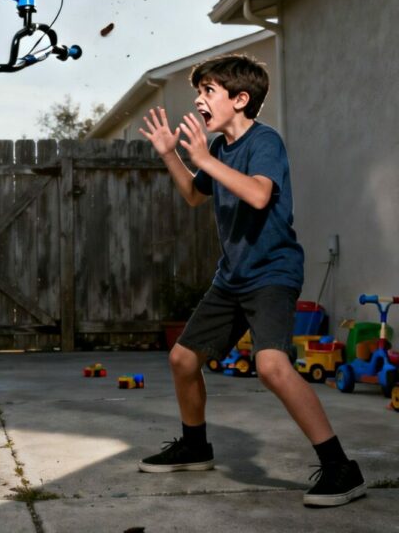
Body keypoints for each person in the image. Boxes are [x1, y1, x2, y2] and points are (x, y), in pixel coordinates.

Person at [137, 54, 365, 508]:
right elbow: (193, 195)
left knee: (272, 367)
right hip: (233, 277)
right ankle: (195, 445)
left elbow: (260, 194)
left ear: (240, 99)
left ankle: (341, 468)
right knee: (183, 359)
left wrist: (203, 156)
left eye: (209, 92)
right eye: (198, 91)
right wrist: (172, 157)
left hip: (272, 273)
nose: (199, 100)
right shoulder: (220, 150)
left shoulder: (265, 142)